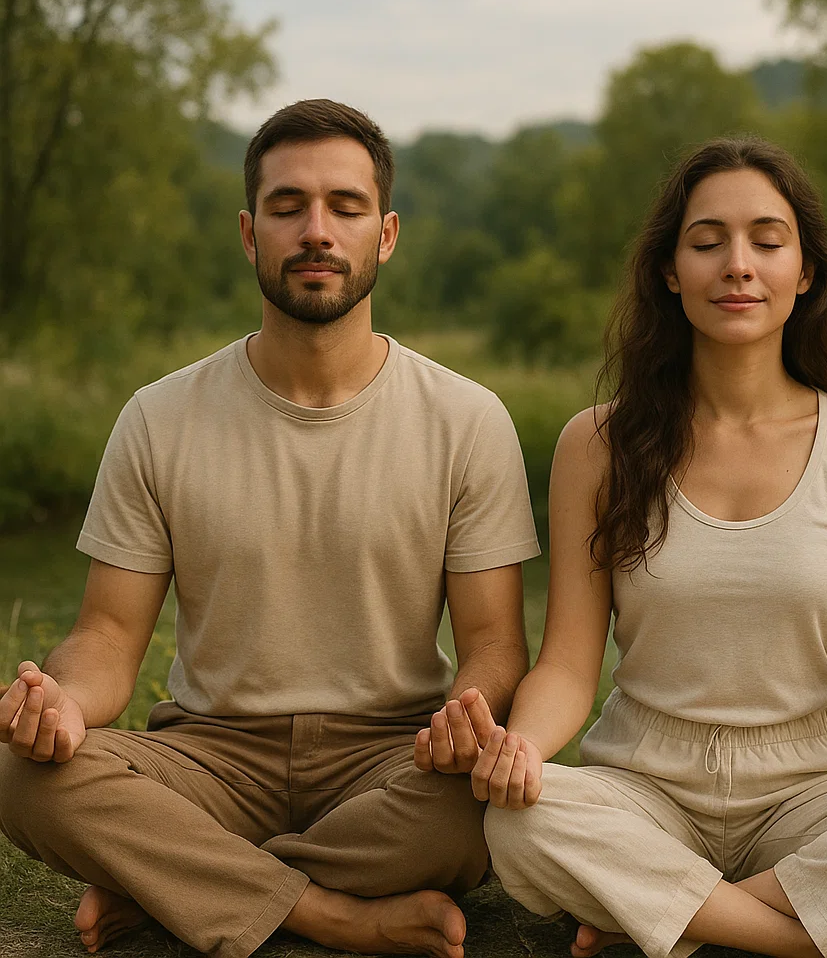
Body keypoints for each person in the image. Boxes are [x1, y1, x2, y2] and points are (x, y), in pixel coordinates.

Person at [0, 99, 540, 958]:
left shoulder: (467, 420)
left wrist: (465, 719)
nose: (316, 231)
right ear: (251, 235)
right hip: (212, 757)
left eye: (345, 208)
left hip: (392, 759)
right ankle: (329, 913)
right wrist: (63, 703)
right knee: (25, 777)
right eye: (288, 208)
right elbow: (107, 634)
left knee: (479, 804)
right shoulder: (159, 417)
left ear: (386, 234)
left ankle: (179, 881)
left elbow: (496, 646)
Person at [476, 137, 827, 958]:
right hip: (643, 788)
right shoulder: (597, 445)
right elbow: (566, 664)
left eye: (767, 241)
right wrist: (523, 745)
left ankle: (672, 916)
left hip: (807, 796)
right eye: (707, 242)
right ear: (669, 270)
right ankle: (807, 938)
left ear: (805, 272)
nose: (738, 265)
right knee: (522, 821)